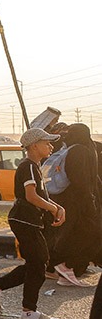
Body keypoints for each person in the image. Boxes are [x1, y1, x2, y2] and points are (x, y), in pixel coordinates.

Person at [0, 128, 67, 319]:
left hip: (27, 220)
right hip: (24, 220)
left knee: (36, 263)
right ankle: (28, 311)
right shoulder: (28, 166)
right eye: (47, 143)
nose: (51, 147)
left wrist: (58, 207)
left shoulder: (34, 166)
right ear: (34, 146)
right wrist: (53, 209)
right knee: (39, 263)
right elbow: (31, 196)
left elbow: (42, 195)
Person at [50, 123, 99, 287]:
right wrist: (90, 201)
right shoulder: (80, 151)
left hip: (72, 201)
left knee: (75, 233)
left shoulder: (73, 149)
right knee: (92, 233)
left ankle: (66, 270)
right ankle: (64, 264)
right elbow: (81, 180)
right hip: (80, 202)